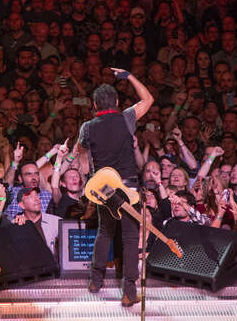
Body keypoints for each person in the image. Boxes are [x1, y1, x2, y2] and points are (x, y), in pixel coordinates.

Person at [77, 67, 153, 307]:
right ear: (118, 101)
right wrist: (128, 75)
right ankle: (129, 291)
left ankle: (96, 280)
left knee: (105, 231)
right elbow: (148, 99)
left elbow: (80, 152)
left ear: (94, 105)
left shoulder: (87, 127)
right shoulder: (127, 117)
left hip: (104, 189)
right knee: (131, 239)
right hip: (128, 189)